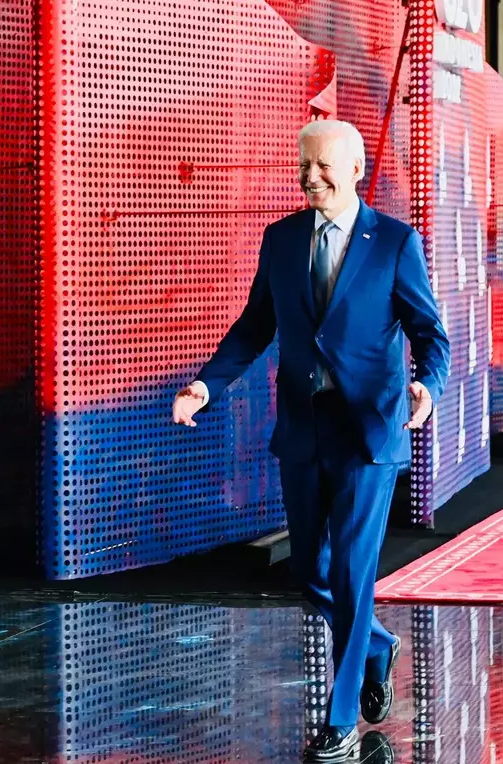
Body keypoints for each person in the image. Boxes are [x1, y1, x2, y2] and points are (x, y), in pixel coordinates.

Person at [173, 120, 450, 762]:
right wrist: (208, 386)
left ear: (356, 170)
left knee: (354, 574)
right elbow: (253, 327)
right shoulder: (282, 239)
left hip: (369, 430)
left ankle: (343, 716)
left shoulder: (396, 244)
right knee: (309, 572)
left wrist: (426, 388)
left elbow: (430, 335)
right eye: (304, 166)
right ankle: (378, 646)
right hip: (302, 428)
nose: (310, 178)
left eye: (324, 166)